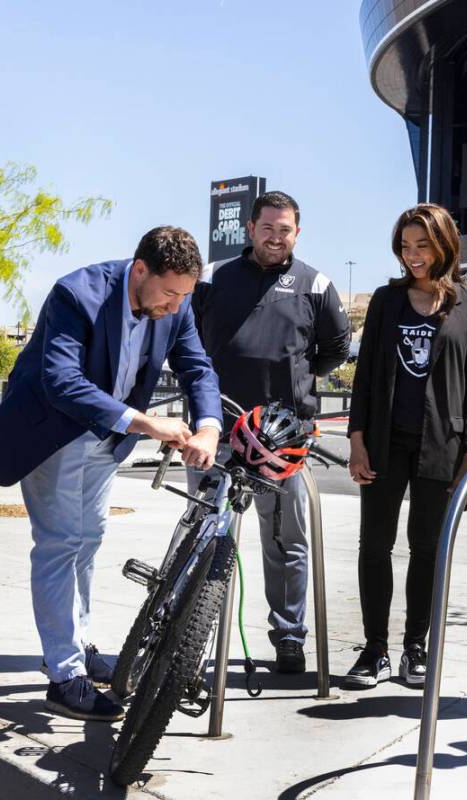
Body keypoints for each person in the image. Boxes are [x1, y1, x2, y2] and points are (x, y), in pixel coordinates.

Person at [0, 226, 222, 721]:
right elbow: (61, 381)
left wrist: (209, 426)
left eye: (183, 297)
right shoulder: (77, 293)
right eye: (169, 294)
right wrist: (147, 423)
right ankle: (64, 676)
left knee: (88, 539)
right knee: (61, 542)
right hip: (54, 434)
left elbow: (198, 369)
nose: (174, 307)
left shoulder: (178, 300)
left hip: (107, 443)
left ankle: (75, 643)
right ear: (141, 270)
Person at [190, 190, 350, 674]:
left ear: (296, 233)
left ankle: (288, 637)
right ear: (250, 229)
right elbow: (192, 344)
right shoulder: (217, 278)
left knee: (285, 542)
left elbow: (336, 348)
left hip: (284, 439)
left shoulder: (315, 284)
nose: (276, 237)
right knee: (202, 535)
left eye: (285, 230)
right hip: (219, 430)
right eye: (268, 228)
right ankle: (187, 640)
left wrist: (294, 376)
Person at [343, 203, 467, 688]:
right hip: (385, 442)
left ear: (444, 244)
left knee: (426, 548)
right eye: (406, 247)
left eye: (422, 246)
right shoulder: (387, 301)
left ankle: (414, 648)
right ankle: (374, 650)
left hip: (441, 445)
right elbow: (364, 378)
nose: (413, 256)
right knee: (374, 546)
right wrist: (357, 440)